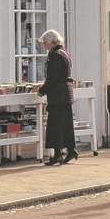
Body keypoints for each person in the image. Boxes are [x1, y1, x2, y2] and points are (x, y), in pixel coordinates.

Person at [37, 30, 77, 166]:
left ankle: (57, 155)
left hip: (58, 95)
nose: (44, 46)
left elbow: (52, 78)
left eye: (45, 43)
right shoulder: (64, 52)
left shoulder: (54, 55)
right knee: (66, 124)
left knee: (55, 125)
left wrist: (42, 90)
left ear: (51, 42)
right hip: (66, 93)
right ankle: (71, 150)